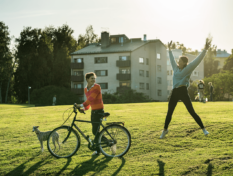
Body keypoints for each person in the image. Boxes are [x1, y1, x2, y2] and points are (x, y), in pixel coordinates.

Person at [160, 40, 210, 139]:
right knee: (169, 112)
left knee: (191, 111)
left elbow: (197, 60)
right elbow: (171, 59)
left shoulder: (188, 69)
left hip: (183, 91)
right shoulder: (175, 68)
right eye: (178, 61)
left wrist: (205, 50)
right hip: (175, 92)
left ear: (184, 63)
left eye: (180, 61)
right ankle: (165, 130)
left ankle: (204, 129)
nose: (178, 62)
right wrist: (169, 50)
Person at [75, 72, 115, 155]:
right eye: (92, 78)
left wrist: (80, 105)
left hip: (99, 111)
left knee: (95, 132)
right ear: (87, 79)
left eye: (94, 78)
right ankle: (100, 148)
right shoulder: (86, 89)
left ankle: (104, 146)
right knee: (95, 132)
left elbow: (91, 99)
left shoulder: (97, 87)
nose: (93, 80)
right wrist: (84, 109)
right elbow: (89, 102)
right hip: (93, 112)